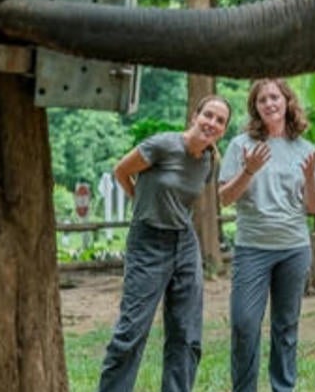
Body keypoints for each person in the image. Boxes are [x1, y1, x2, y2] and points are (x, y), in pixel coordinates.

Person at [96, 95, 232, 392]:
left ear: (223, 130)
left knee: (186, 334)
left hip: (184, 244)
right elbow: (122, 170)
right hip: (148, 241)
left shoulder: (209, 161)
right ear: (195, 116)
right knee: (131, 332)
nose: (212, 123)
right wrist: (141, 202)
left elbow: (184, 201)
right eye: (208, 115)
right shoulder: (163, 145)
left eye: (220, 121)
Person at [218, 78, 315, 392]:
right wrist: (248, 170)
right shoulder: (241, 145)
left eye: (274, 97)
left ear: (287, 101)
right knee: (244, 324)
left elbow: (314, 207)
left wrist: (309, 177)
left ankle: (283, 387)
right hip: (253, 247)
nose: (269, 104)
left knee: (286, 326)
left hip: (293, 247)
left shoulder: (305, 149)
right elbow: (224, 198)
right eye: (262, 100)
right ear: (255, 107)